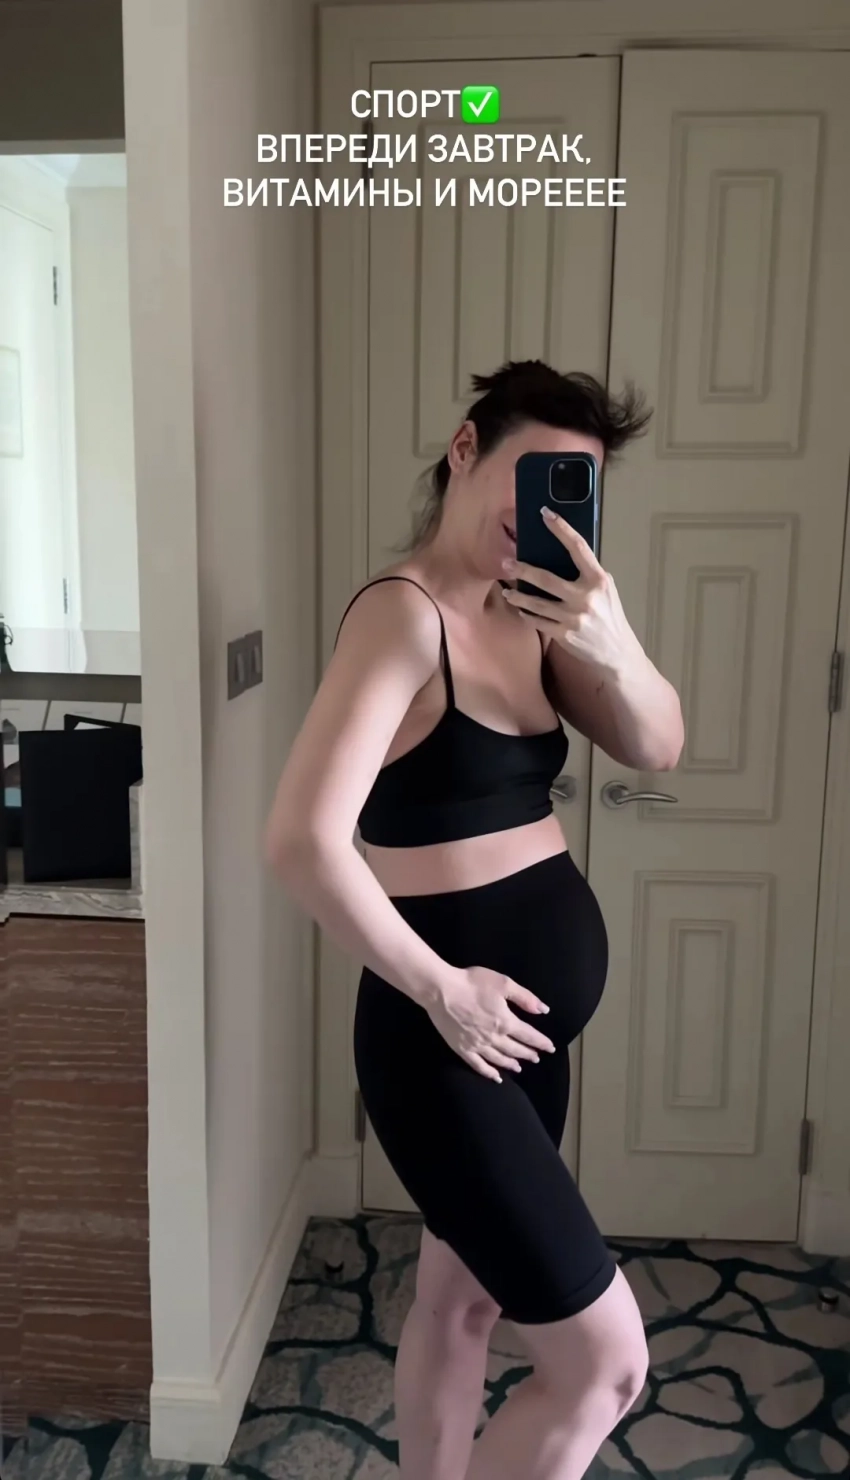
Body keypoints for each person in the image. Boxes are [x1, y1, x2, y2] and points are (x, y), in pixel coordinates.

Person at [265, 360, 685, 1480]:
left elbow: (656, 744)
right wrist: (443, 989)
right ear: (465, 451)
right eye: (531, 476)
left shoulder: (533, 614)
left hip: (519, 1039)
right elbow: (301, 838)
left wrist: (610, 634)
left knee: (462, 1308)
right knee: (605, 1366)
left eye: (574, 490)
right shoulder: (402, 618)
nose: (544, 513)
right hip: (442, 1042)